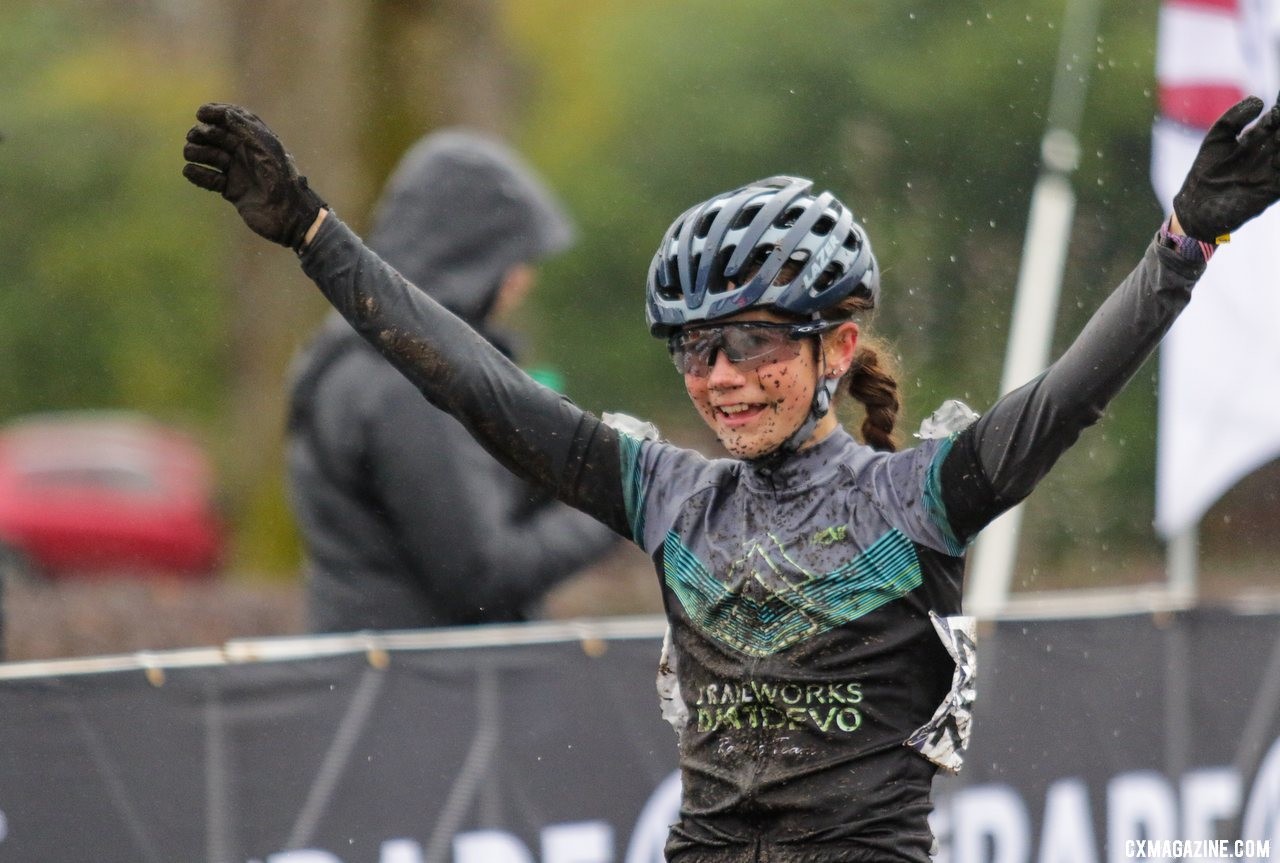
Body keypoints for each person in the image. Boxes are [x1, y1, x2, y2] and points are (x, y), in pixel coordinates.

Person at [182, 95, 1280, 861]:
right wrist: (315, 234)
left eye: (753, 342)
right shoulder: (666, 492)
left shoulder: (920, 498)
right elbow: (470, 384)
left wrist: (1181, 242)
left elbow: (1070, 392)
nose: (720, 378)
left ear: (835, 349)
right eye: (695, 350)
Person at [285, 129, 617, 633]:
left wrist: (563, 463)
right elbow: (479, 577)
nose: (524, 280)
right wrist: (620, 497)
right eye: (513, 259)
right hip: (428, 692)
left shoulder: (355, 356)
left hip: (381, 681)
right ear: (469, 258)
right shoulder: (409, 385)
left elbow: (450, 515)